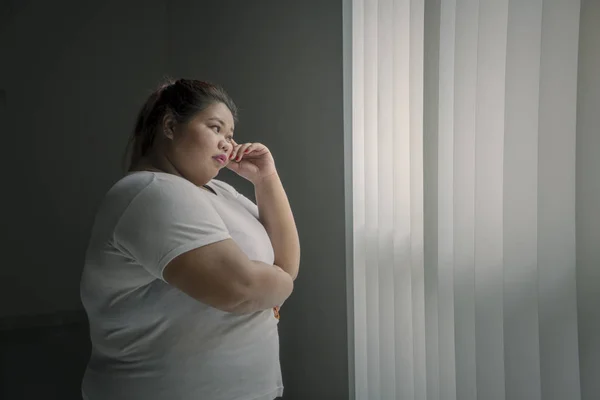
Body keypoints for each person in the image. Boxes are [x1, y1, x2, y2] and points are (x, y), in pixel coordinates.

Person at [79, 78, 300, 400]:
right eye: (215, 128)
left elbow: (285, 263)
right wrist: (279, 287)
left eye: (230, 135)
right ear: (170, 125)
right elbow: (241, 290)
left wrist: (266, 178)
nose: (226, 143)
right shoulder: (151, 192)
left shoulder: (218, 191)